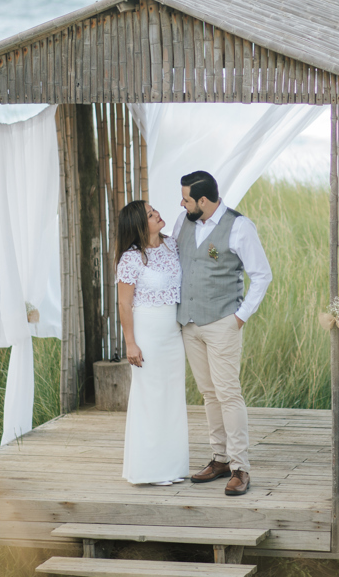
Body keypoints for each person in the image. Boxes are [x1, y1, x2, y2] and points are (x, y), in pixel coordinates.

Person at [174, 171, 272, 497]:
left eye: (186, 198)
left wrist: (240, 318)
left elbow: (262, 275)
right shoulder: (183, 221)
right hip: (190, 324)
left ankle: (240, 467)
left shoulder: (240, 227)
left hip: (223, 324)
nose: (182, 203)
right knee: (208, 393)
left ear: (203, 200)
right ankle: (218, 459)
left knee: (228, 393)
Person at [115, 200, 190, 486]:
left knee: (172, 396)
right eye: (150, 214)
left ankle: (173, 466)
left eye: (154, 209)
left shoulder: (173, 246)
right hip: (147, 331)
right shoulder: (131, 258)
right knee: (150, 397)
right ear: (137, 225)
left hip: (173, 332)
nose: (157, 214)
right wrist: (130, 343)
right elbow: (124, 305)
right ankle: (150, 470)